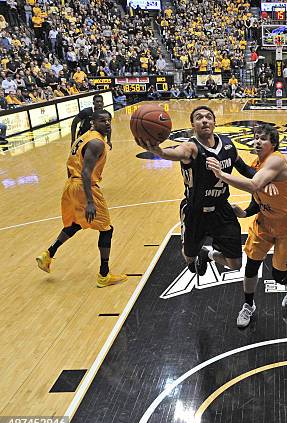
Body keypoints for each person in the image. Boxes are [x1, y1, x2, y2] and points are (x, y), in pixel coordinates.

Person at [134, 106, 261, 276]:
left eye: (208, 117)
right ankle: (195, 254)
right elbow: (176, 153)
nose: (204, 120)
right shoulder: (191, 147)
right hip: (195, 212)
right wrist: (160, 152)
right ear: (192, 124)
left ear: (214, 122)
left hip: (222, 210)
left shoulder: (228, 145)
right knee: (189, 258)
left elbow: (245, 169)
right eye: (199, 118)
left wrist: (265, 178)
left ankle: (207, 253)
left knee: (236, 264)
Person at [207, 124, 287, 328]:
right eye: (255, 138)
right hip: (264, 222)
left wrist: (221, 175)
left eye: (263, 139)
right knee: (251, 266)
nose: (257, 141)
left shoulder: (276, 161)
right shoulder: (256, 164)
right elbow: (256, 197)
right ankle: (248, 305)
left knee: (279, 275)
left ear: (273, 144)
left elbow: (253, 185)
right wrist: (245, 213)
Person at [36, 110, 127, 287]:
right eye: (102, 121)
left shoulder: (85, 137)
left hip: (71, 183)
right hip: (84, 185)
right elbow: (86, 173)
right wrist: (90, 201)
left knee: (77, 223)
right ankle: (104, 275)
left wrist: (74, 187)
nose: (107, 123)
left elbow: (70, 162)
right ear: (93, 122)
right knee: (106, 229)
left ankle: (48, 254)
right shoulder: (96, 143)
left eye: (109, 120)